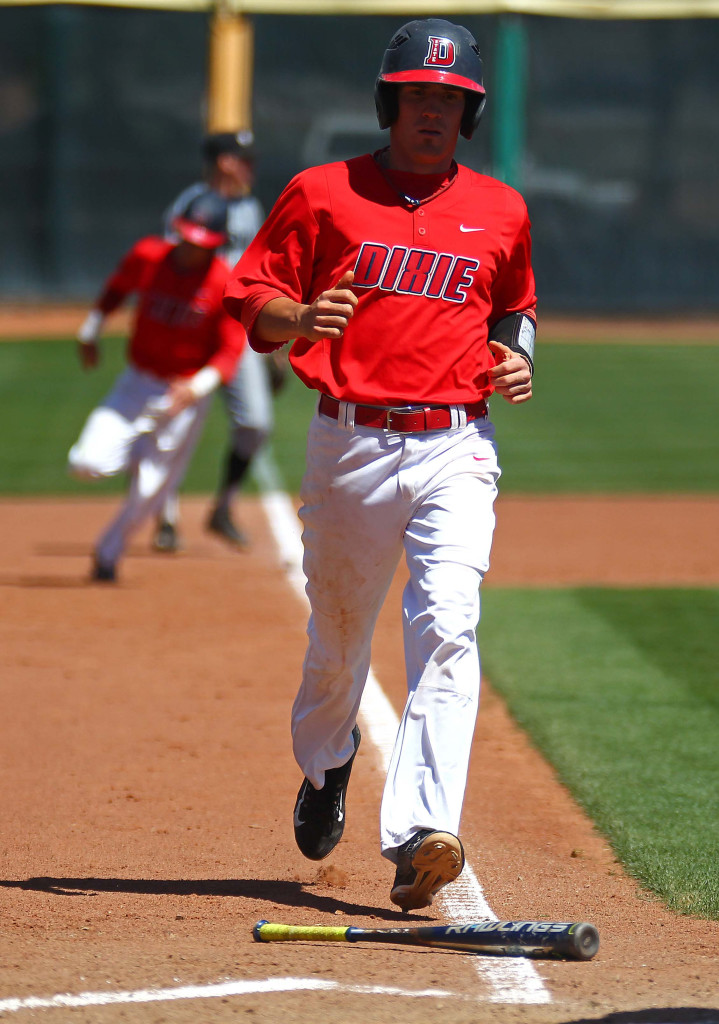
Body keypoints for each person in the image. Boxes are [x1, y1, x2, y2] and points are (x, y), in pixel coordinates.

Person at [223, 18, 536, 912]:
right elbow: (253, 294)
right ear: (389, 102)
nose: (432, 111)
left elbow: (514, 306)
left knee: (448, 624)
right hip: (350, 442)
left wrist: (518, 355)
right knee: (339, 640)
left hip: (456, 445)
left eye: (449, 99)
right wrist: (297, 318)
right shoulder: (322, 192)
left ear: (467, 113)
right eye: (417, 95)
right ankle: (327, 767)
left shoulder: (501, 207)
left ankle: (417, 835)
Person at [68, 190, 246, 582]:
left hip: (182, 396)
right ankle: (134, 453)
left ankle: (107, 555)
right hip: (137, 382)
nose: (190, 249)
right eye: (186, 238)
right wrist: (92, 328)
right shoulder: (150, 255)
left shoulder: (223, 281)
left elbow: (232, 348)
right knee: (86, 463)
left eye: (201, 243)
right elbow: (118, 286)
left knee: (151, 491)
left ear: (217, 244)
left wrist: (197, 387)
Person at [153, 130, 285, 554]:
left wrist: (275, 346)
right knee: (172, 423)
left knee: (256, 422)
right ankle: (166, 517)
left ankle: (223, 506)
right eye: (243, 158)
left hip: (238, 329)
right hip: (192, 328)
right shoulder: (190, 205)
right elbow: (173, 268)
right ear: (224, 162)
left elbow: (262, 271)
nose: (250, 165)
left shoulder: (250, 206)